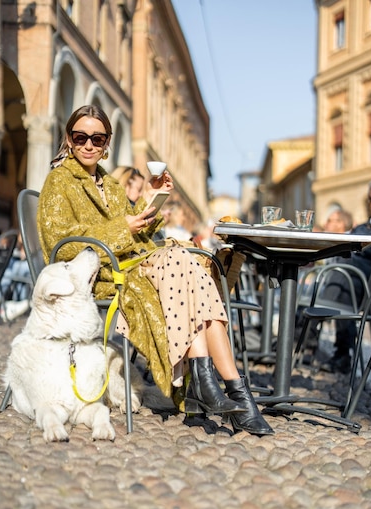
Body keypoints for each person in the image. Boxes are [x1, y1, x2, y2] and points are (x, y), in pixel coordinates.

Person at [37, 104, 273, 436]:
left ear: (107, 143)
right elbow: (61, 244)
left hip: (132, 264)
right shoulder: (58, 182)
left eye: (97, 138)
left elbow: (137, 230)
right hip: (98, 277)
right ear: (69, 139)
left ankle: (224, 388)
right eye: (81, 137)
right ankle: (223, 392)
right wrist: (124, 228)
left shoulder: (108, 184)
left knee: (188, 265)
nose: (88, 145)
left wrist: (150, 198)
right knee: (184, 264)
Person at [318, 181, 371, 374]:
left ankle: (304, 330)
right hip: (351, 283)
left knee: (345, 269)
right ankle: (341, 354)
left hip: (367, 285)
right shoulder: (363, 228)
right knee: (343, 282)